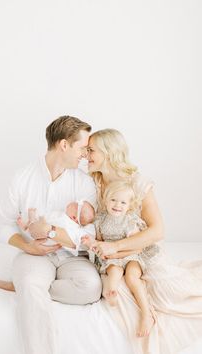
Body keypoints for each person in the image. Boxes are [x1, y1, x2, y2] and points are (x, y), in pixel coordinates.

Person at [0, 116, 102, 354]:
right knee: (31, 284)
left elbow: (88, 234)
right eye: (82, 148)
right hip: (35, 255)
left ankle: (21, 286)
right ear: (63, 145)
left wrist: (52, 231)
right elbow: (4, 226)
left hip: (73, 257)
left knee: (91, 288)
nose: (85, 155)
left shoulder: (84, 183)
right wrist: (28, 247)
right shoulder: (22, 178)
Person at [86, 128, 202, 354]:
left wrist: (117, 247)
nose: (85, 155)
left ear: (108, 152)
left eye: (91, 150)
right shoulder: (93, 183)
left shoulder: (137, 183)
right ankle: (145, 315)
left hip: (141, 251)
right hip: (114, 257)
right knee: (118, 290)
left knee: (170, 295)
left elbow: (157, 230)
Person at [82, 180, 159, 337]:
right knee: (114, 270)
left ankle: (146, 314)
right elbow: (99, 242)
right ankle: (111, 291)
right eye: (113, 200)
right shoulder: (101, 220)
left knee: (131, 276)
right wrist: (91, 243)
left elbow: (137, 247)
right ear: (105, 200)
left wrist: (117, 254)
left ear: (129, 205)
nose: (117, 205)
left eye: (123, 202)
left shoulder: (130, 220)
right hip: (111, 257)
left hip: (130, 254)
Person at [0, 200, 95, 291]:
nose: (74, 201)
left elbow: (49, 228)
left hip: (49, 243)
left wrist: (38, 224)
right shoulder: (62, 216)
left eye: (76, 204)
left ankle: (16, 286)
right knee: (30, 282)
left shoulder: (68, 223)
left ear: (74, 217)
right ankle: (17, 285)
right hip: (39, 246)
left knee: (31, 284)